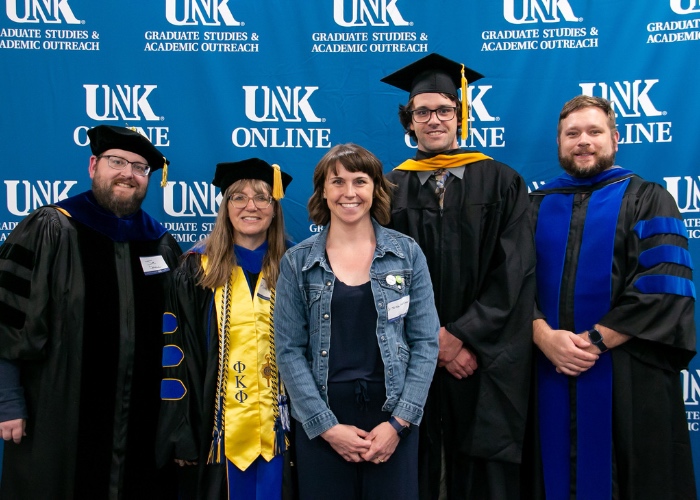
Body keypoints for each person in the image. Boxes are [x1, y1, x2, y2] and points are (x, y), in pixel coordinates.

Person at [381, 53, 536, 499]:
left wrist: (462, 337)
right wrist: (434, 343)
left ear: (460, 115)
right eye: (422, 112)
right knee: (416, 465)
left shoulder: (503, 182)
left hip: (483, 359)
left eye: (444, 109)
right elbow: (383, 277)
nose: (434, 120)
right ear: (408, 121)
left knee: (482, 471)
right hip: (413, 358)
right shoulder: (390, 190)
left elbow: (515, 271)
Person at [525, 95, 696, 499]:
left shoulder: (648, 198)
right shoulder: (533, 206)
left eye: (594, 131)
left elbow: (663, 283)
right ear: (559, 143)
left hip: (627, 376)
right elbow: (511, 286)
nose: (583, 141)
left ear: (615, 139)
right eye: (572, 134)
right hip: (546, 368)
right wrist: (544, 336)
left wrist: (594, 341)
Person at [0, 125, 182, 498]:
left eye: (139, 167)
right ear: (93, 165)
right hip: (57, 412)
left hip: (142, 422)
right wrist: (8, 399)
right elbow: (8, 318)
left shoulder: (160, 244)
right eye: (117, 161)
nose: (127, 174)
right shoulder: (52, 228)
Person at [274, 143, 439, 500]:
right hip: (323, 418)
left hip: (392, 415)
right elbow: (288, 350)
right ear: (323, 191)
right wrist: (326, 428)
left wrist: (398, 424)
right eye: (337, 182)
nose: (349, 193)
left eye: (360, 181)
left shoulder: (406, 253)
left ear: (375, 189)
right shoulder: (296, 262)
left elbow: (426, 343)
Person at [156, 158, 294, 499]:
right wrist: (181, 430)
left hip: (287, 431)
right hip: (215, 432)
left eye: (262, 197)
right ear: (225, 206)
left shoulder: (295, 266)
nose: (251, 206)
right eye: (239, 197)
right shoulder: (194, 271)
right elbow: (176, 357)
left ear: (275, 209)